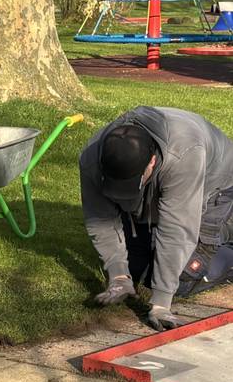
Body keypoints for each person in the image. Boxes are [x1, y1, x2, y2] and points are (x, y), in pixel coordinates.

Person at [80, 107, 233, 331]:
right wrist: (119, 275)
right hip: (164, 189)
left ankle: (226, 238)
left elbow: (177, 230)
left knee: (183, 278)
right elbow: (100, 218)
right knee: (140, 269)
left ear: (151, 161)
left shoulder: (184, 153)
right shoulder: (90, 158)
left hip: (216, 190)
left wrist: (161, 303)